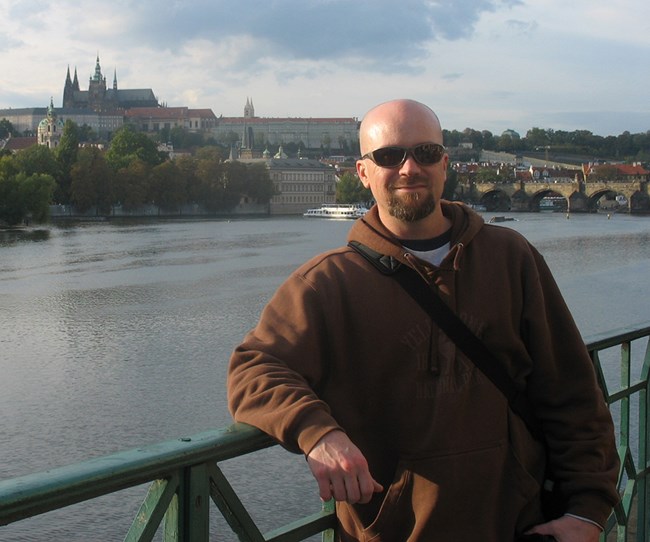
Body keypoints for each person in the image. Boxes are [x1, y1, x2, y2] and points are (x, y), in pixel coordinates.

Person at [227, 99, 619, 541]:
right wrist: (317, 434)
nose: (409, 168)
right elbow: (252, 369)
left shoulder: (512, 259)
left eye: (426, 153)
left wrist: (588, 511)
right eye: (390, 156)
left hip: (520, 527)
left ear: (445, 164)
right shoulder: (327, 282)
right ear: (362, 173)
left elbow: (573, 393)